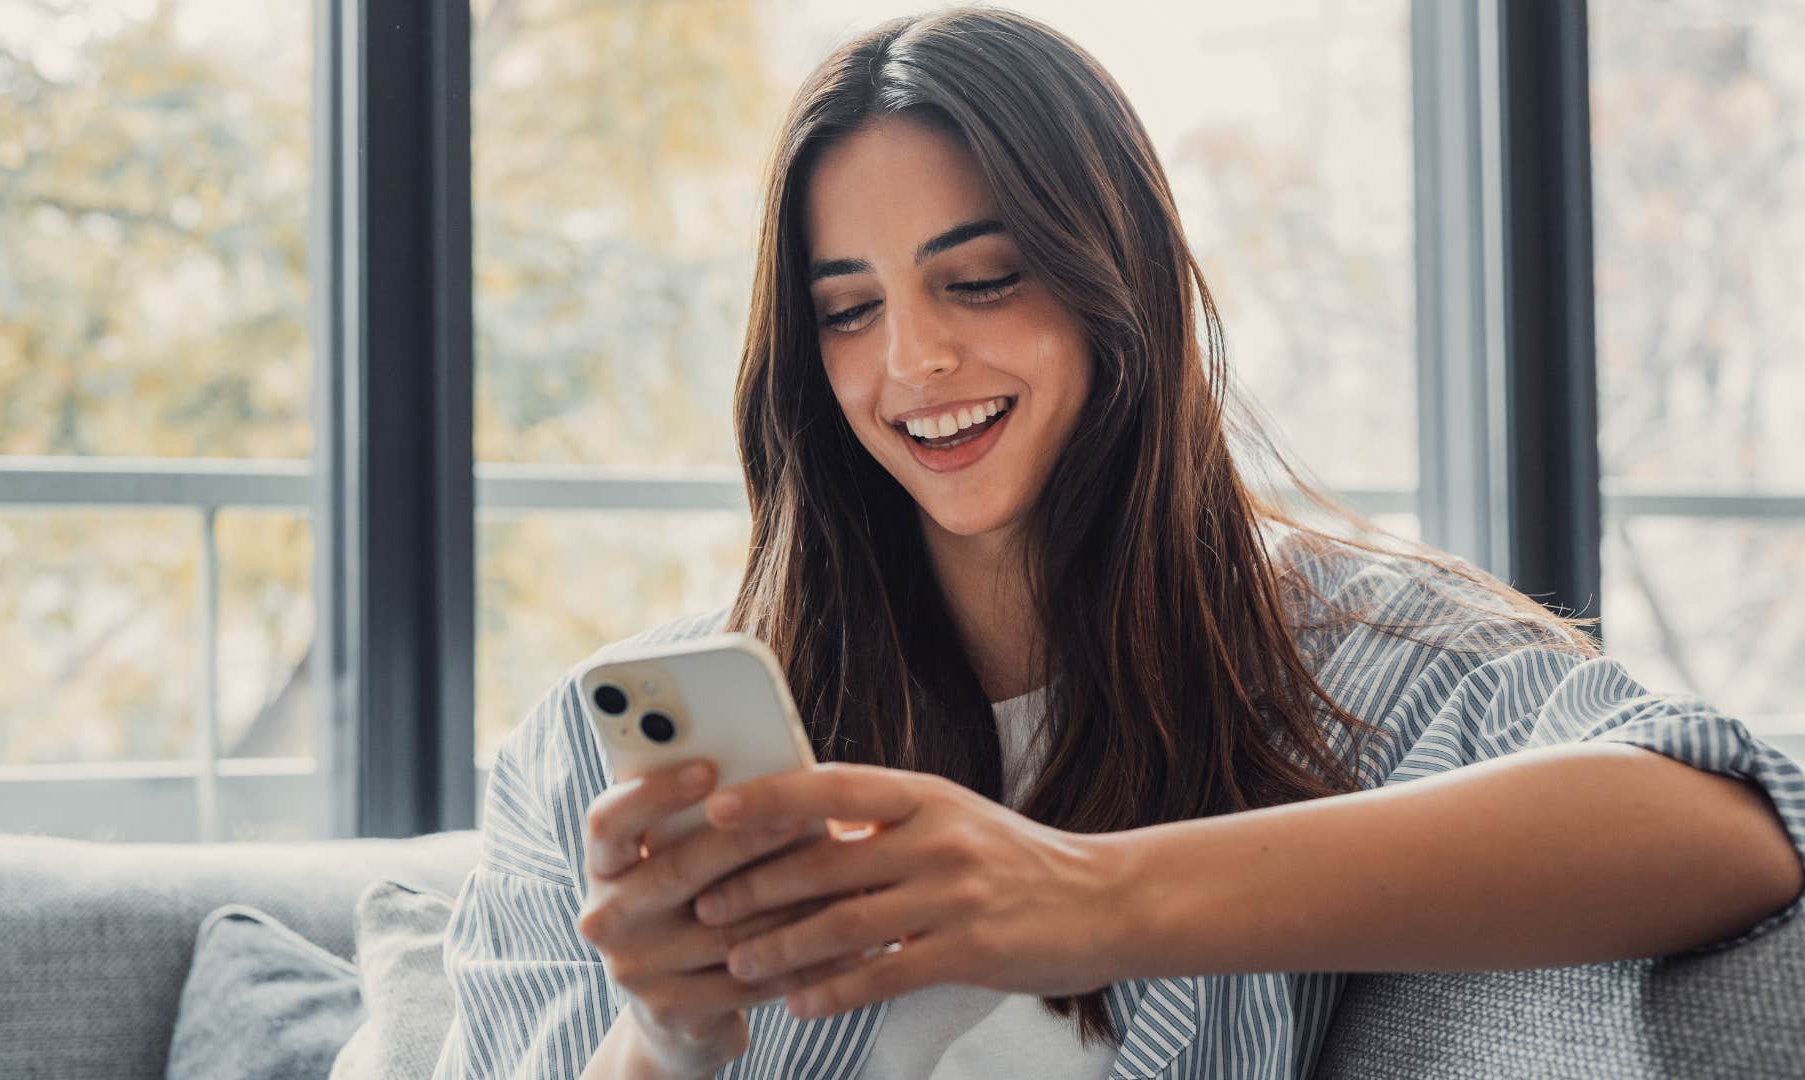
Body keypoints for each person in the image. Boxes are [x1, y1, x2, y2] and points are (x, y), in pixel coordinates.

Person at [430, 8, 1805, 1079]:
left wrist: (1088, 899)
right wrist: (667, 1044)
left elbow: (1735, 830)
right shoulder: (596, 750)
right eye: (846, 311)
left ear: (1117, 282)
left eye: (980, 281)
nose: (911, 361)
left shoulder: (1346, 665)